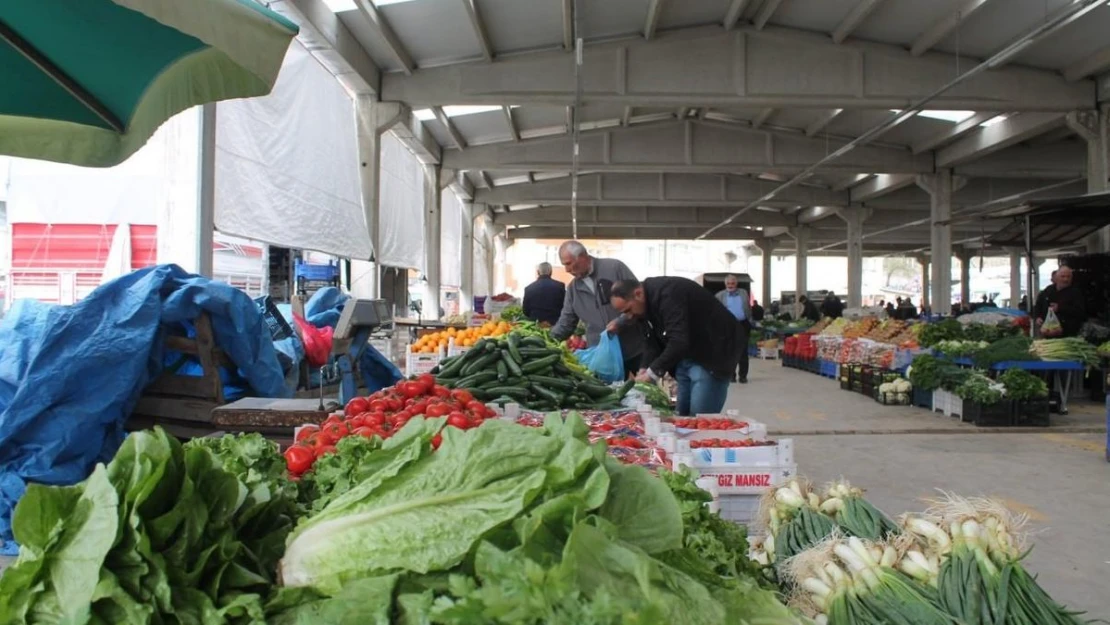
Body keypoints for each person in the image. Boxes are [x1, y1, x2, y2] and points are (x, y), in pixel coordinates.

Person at [610, 277, 739, 416]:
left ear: (638, 294)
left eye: (628, 310)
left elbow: (678, 341)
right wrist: (644, 368)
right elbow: (650, 341)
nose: (628, 317)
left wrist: (651, 373)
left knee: (698, 418)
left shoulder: (668, 295)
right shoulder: (643, 306)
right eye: (623, 313)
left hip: (712, 352)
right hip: (687, 355)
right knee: (681, 415)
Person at [550, 240, 643, 377]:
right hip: (603, 356)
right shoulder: (573, 290)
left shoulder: (614, 268)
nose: (567, 270)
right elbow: (566, 323)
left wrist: (621, 321)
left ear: (582, 256)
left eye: (568, 263)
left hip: (634, 348)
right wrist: (546, 339)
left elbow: (638, 299)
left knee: (646, 392)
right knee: (610, 395)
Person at [715, 274, 752, 384]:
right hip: (728, 325)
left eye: (733, 283)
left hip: (743, 324)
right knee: (730, 351)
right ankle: (731, 375)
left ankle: (743, 376)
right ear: (725, 284)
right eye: (728, 283)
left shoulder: (743, 293)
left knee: (743, 351)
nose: (731, 285)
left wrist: (749, 319)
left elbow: (748, 308)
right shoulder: (719, 295)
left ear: (736, 283)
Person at [1034, 266, 1086, 338]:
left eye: (1068, 277)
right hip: (1047, 332)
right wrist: (1038, 317)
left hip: (1067, 334)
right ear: (1056, 278)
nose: (1065, 279)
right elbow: (1038, 305)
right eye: (1063, 276)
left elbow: (1080, 312)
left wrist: (1060, 308)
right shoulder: (1048, 290)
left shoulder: (1075, 293)